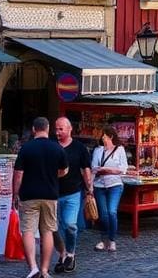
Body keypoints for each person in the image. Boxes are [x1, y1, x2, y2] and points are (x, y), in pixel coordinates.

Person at [12, 117, 68, 278]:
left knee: (28, 231)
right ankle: (44, 269)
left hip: (29, 195)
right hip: (50, 195)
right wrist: (53, 175)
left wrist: (15, 193)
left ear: (34, 129)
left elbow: (18, 174)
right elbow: (65, 170)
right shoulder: (56, 148)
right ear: (48, 129)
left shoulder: (26, 148)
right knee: (48, 231)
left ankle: (33, 267)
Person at [53, 117, 92, 273]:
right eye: (56, 129)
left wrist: (90, 189)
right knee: (53, 228)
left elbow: (86, 169)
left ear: (69, 129)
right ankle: (62, 254)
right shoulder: (51, 146)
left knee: (70, 225)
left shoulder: (79, 148)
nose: (57, 132)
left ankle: (70, 254)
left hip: (73, 193)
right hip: (52, 193)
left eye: (61, 129)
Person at [90, 125, 127, 253]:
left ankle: (112, 240)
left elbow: (123, 169)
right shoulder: (98, 151)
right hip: (100, 185)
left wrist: (108, 170)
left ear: (111, 137)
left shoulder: (120, 150)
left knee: (112, 212)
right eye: (102, 137)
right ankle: (103, 239)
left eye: (105, 137)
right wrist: (90, 186)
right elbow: (94, 168)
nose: (103, 139)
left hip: (115, 185)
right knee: (103, 214)